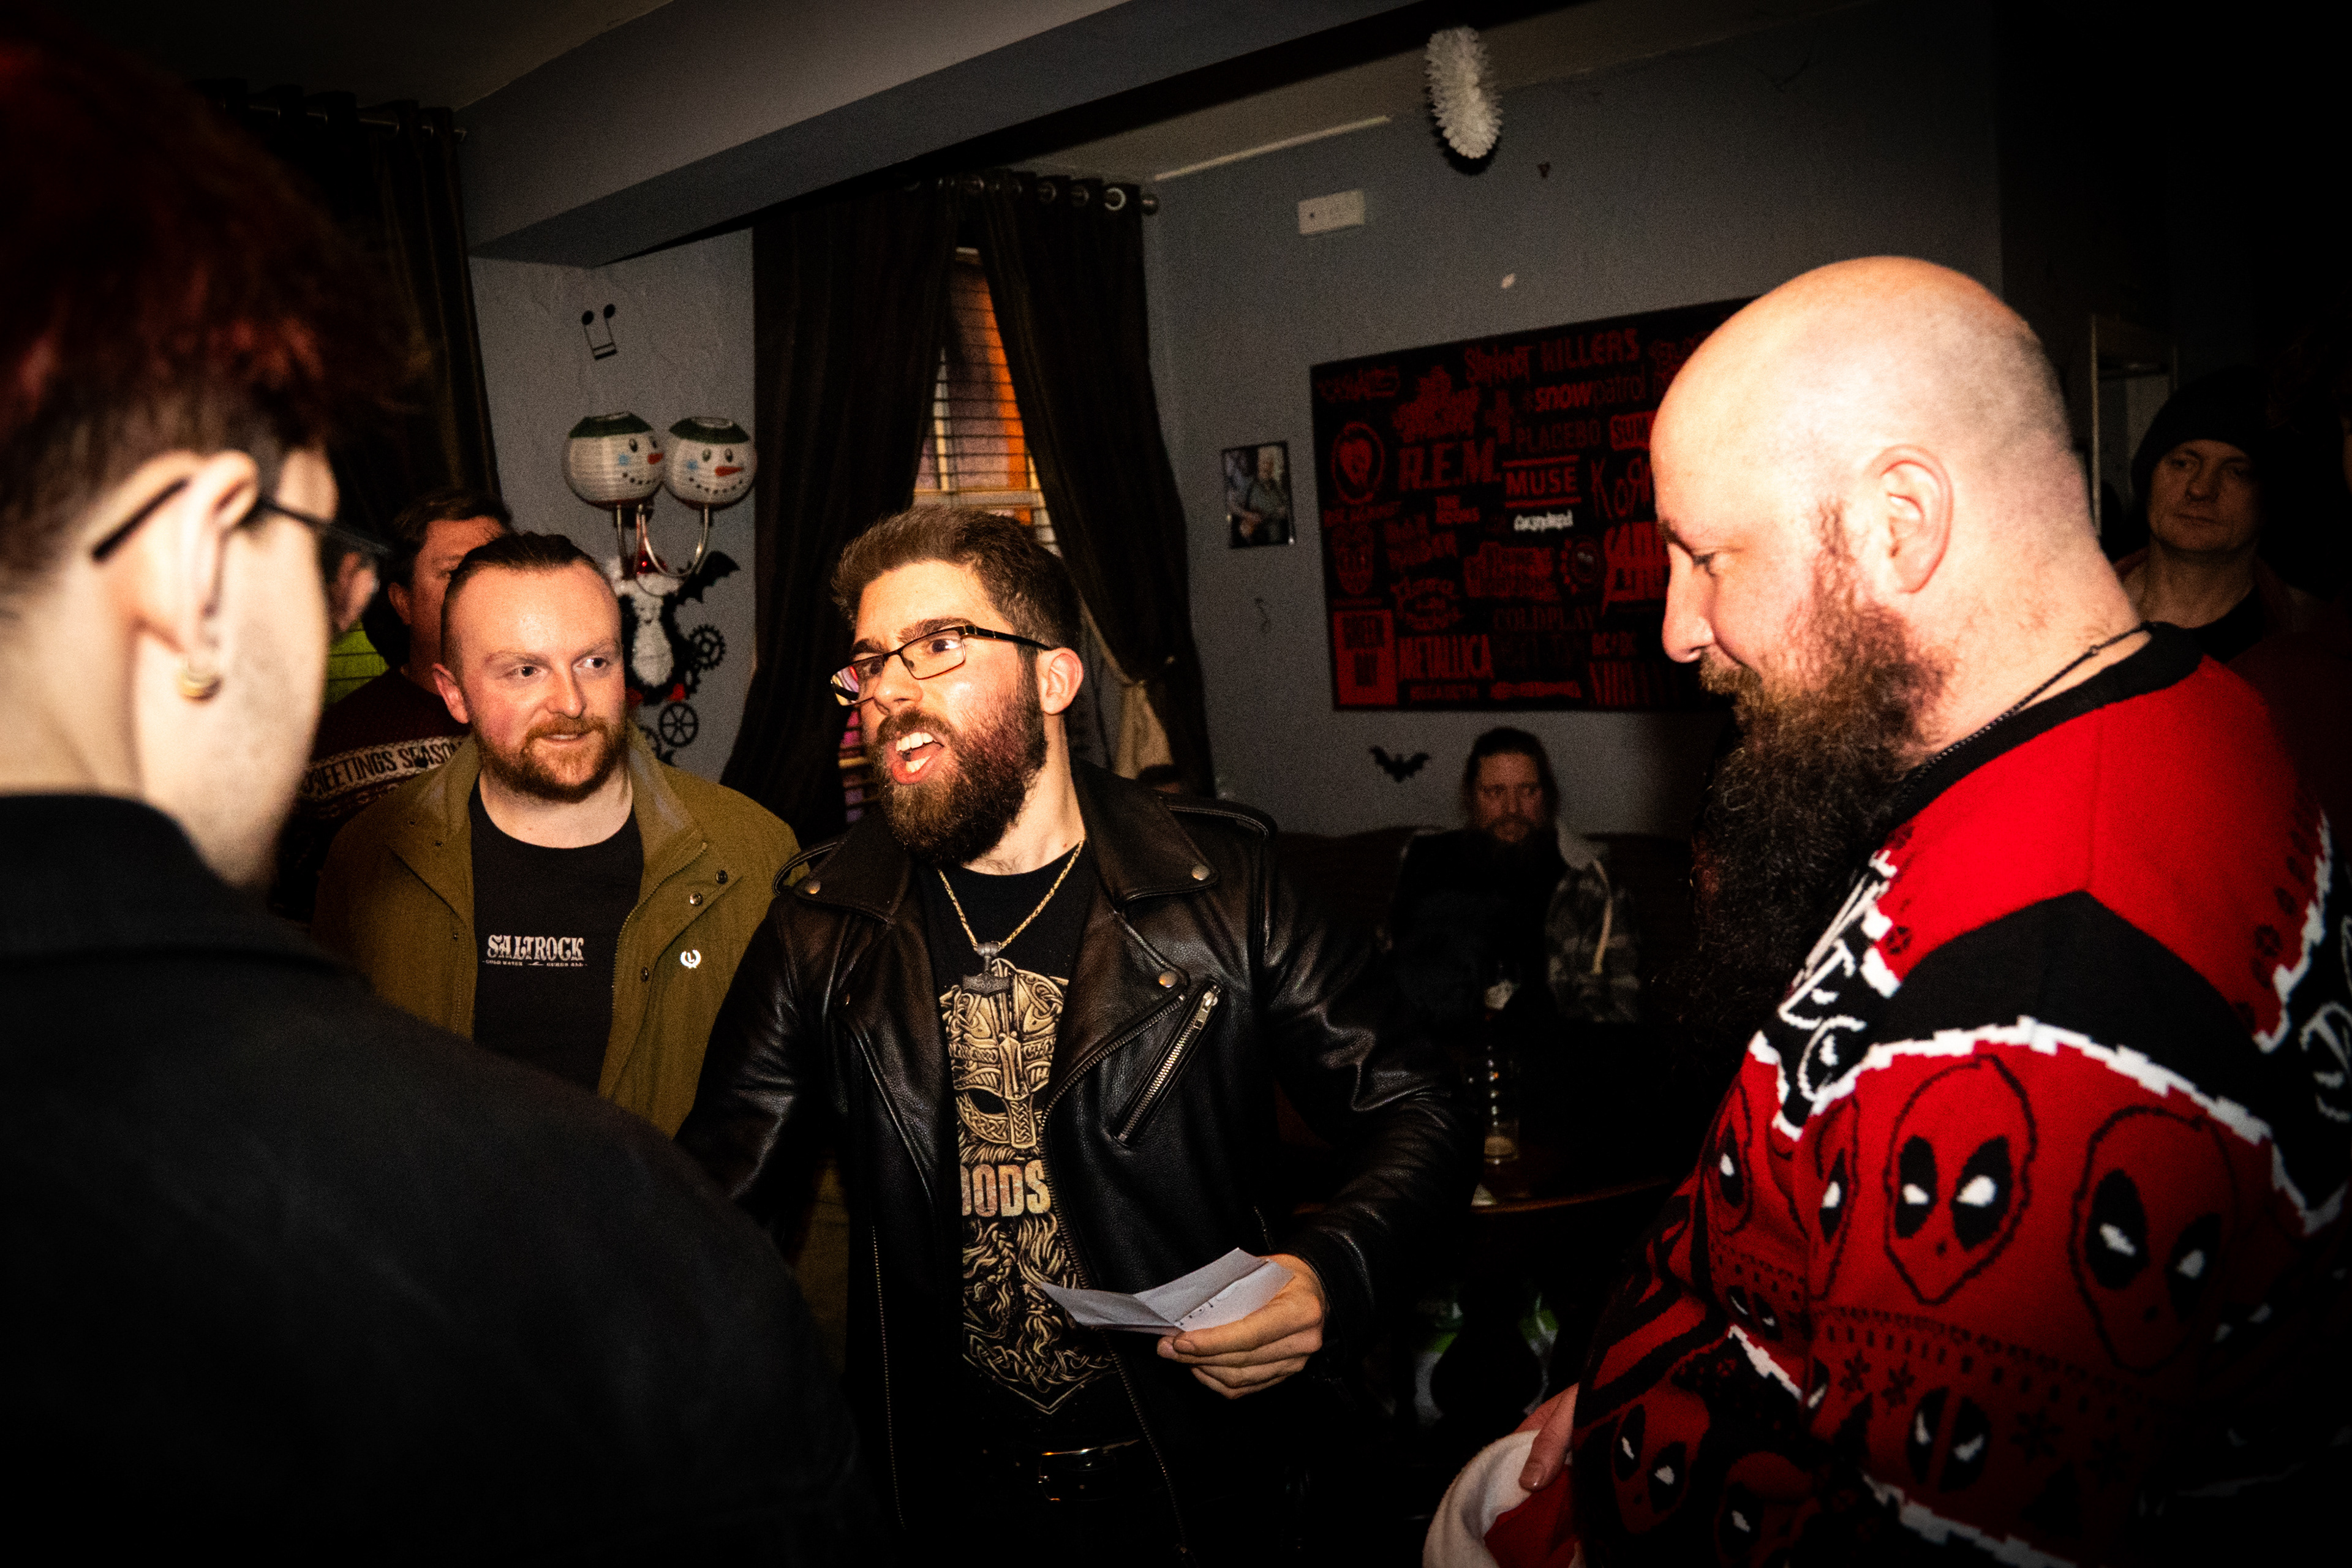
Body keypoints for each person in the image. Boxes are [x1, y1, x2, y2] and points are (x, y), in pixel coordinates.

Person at [0, 9, 862, 1552]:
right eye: (328, 552)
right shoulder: (564, 1221)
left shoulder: (751, 861)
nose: (343, 604)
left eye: (593, 657)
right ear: (194, 558)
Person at [1472, 258, 2349, 1565]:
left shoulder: (2047, 993)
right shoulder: (2167, 706)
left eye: (1707, 556)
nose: (1677, 628)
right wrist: (1621, 1388)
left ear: (1901, 523)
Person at [678, 506, 1471, 1563]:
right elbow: (711, 1209)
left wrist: (1333, 1270)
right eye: (870, 664)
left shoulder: (1223, 890)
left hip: (1207, 1490)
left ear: (1054, 679)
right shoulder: (824, 927)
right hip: (947, 1507)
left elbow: (1420, 1110)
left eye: (939, 645)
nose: (891, 692)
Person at [314, 532, 797, 1133]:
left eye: (595, 663)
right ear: (455, 694)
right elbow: (337, 1101)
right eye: (525, 670)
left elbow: (803, 1118)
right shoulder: (370, 859)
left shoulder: (754, 856)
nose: (570, 702)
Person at [271, 487, 510, 922]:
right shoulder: (329, 749)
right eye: (455, 572)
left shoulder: (561, 716)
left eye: (500, 567)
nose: (483, 589)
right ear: (404, 602)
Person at [1390, 729, 1639, 1045]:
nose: (1512, 809)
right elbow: (1388, 964)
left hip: (1544, 1048)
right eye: (1495, 792)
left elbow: (1617, 1005)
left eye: (1527, 791)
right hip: (1426, 1046)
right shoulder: (1425, 858)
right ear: (1471, 796)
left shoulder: (1586, 879)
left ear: (1546, 794)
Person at [2114, 366, 2317, 663]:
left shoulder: (2316, 639)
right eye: (2183, 464)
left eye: (2237, 472)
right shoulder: (2062, 610)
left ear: (2269, 501)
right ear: (2149, 477)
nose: (2200, 488)